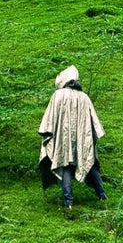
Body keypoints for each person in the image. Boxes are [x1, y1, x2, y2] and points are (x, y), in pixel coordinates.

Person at [37, 65, 106, 209]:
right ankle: (102, 195)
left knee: (65, 165)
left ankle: (68, 202)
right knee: (90, 163)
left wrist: (48, 133)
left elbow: (49, 119)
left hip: (63, 138)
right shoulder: (84, 97)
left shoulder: (58, 95)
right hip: (83, 138)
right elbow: (94, 122)